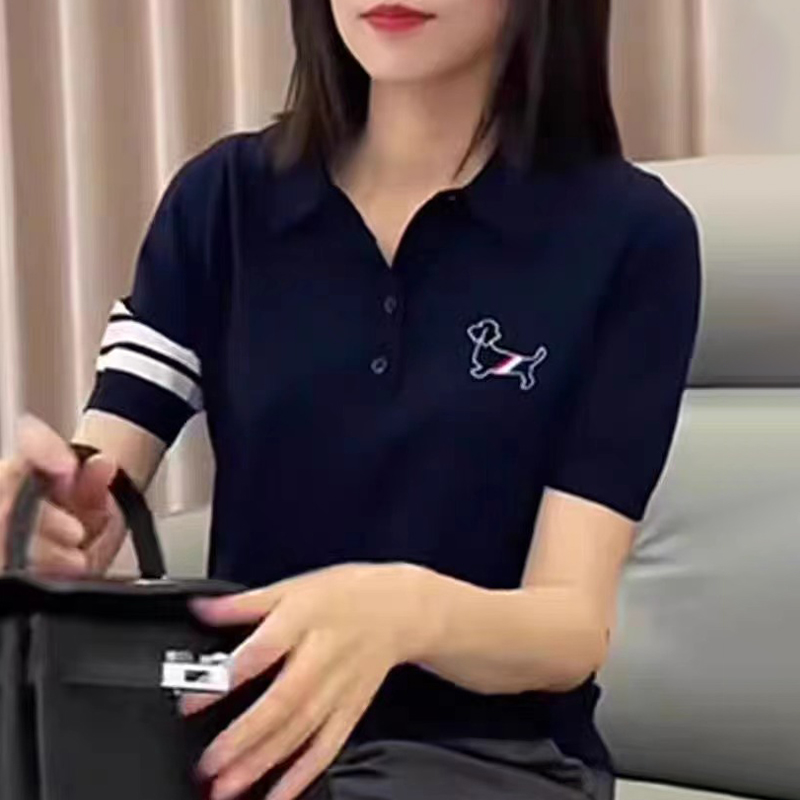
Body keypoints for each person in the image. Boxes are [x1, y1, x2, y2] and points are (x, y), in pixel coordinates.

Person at [0, 1, 702, 799]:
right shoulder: (221, 203)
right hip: (242, 748)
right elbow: (100, 477)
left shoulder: (632, 237)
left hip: (490, 762)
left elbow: (569, 627)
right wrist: (55, 521)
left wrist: (403, 612)